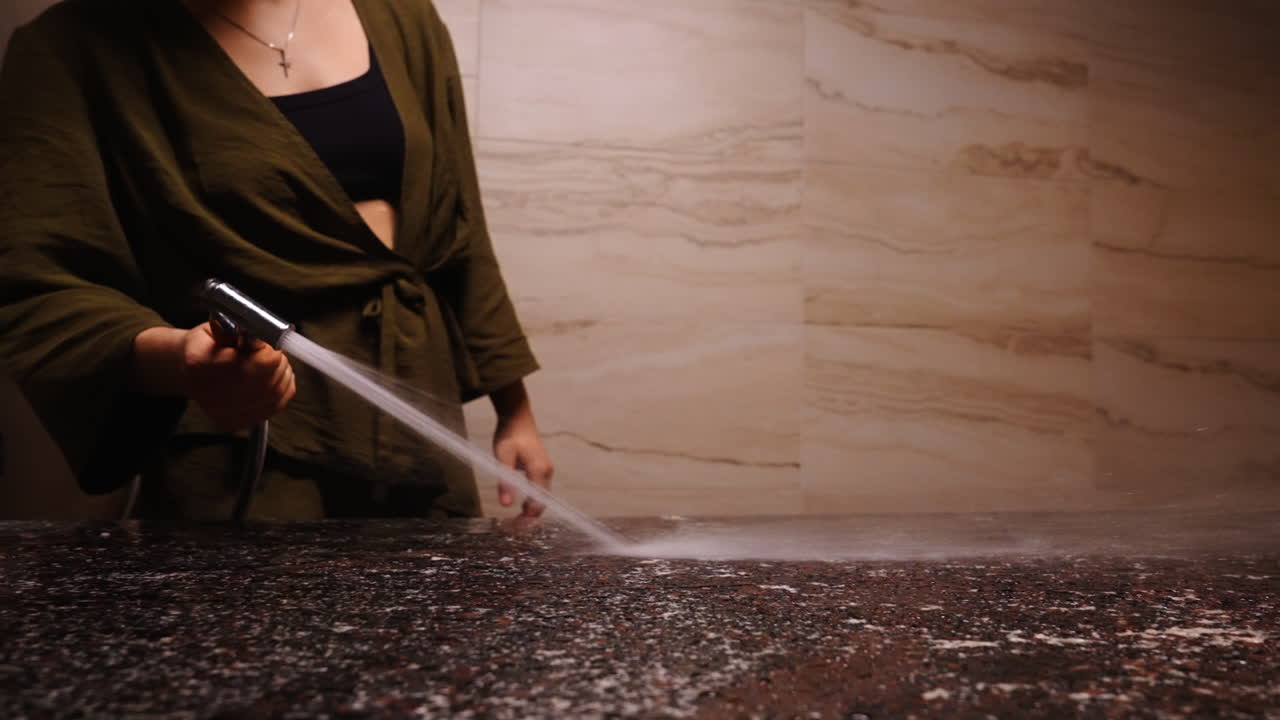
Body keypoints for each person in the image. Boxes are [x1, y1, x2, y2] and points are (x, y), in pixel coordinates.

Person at [0, 0, 554, 521]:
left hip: (416, 422)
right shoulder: (70, 48)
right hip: (247, 439)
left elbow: (459, 224)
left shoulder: (402, 15)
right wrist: (183, 361)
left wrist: (515, 411)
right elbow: (42, 285)